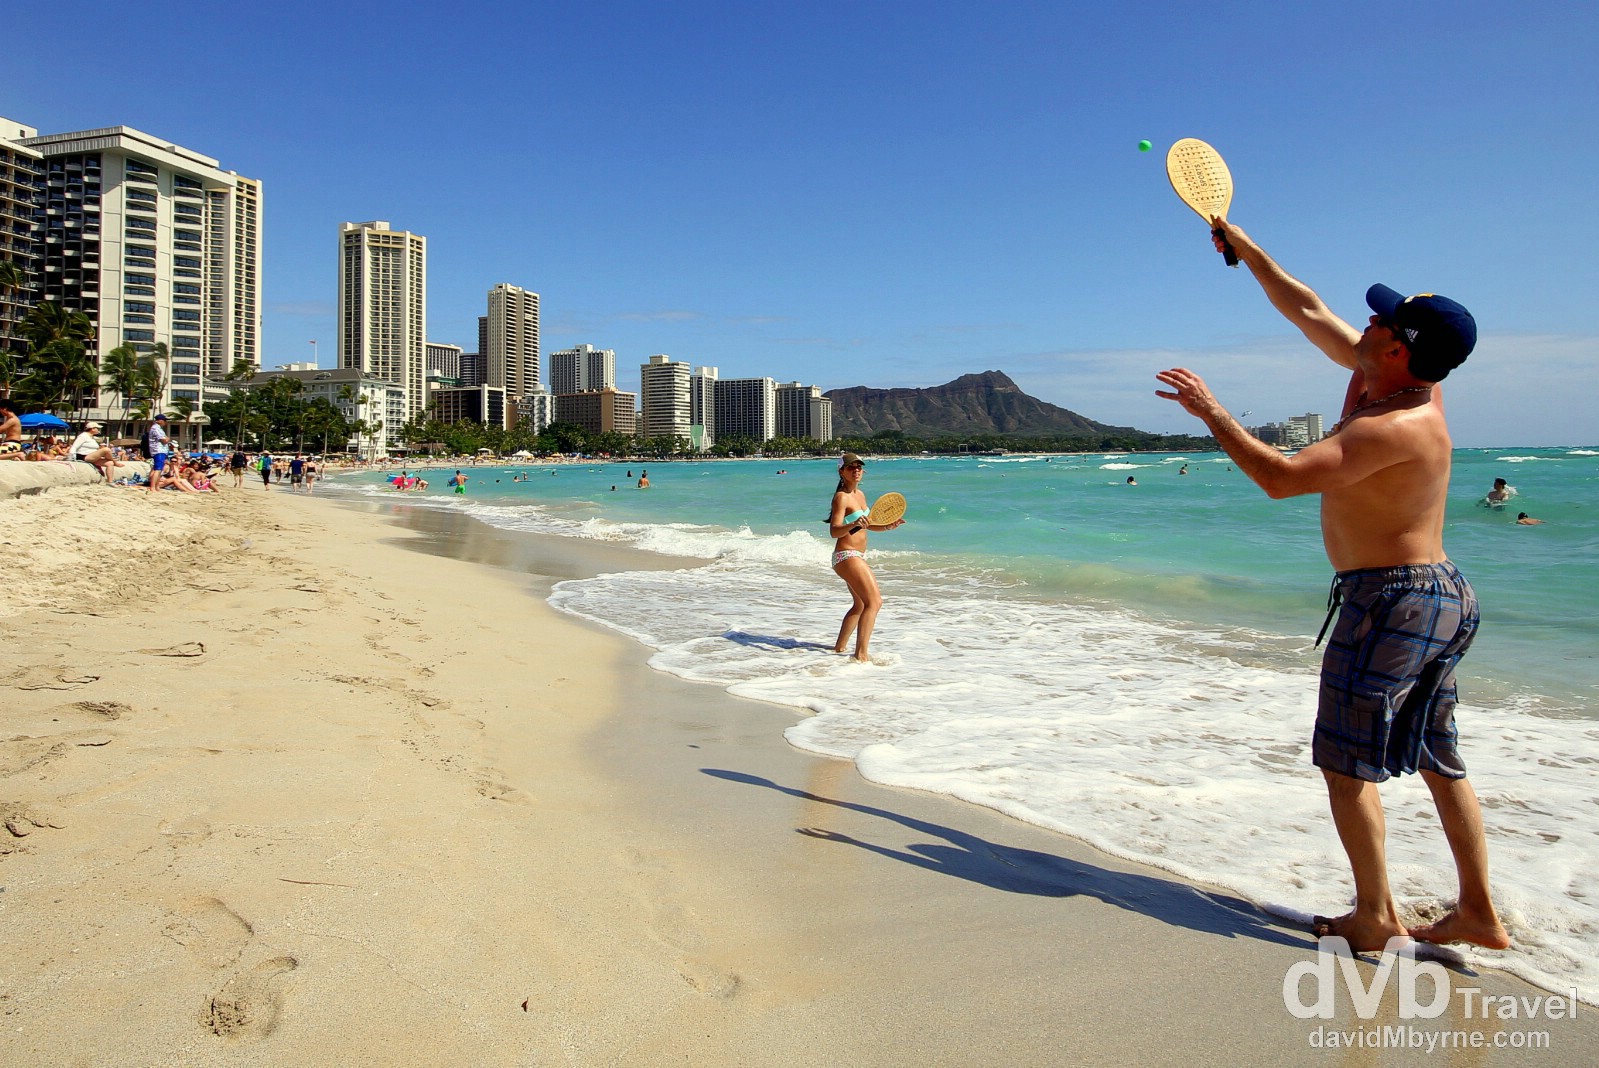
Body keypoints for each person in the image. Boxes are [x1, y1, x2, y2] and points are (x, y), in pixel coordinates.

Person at [1155, 219, 1508, 954]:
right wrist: (1245, 249)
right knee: (1438, 756)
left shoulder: (1395, 424)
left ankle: (1373, 916)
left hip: (1392, 599)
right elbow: (1307, 307)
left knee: (1344, 763)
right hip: (1437, 595)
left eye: (1381, 319)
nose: (1368, 320)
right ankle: (1477, 911)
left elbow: (1281, 480)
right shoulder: (1396, 376)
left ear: (1396, 348)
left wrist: (1212, 413)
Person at [827, 452, 905, 663]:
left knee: (860, 605)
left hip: (855, 555)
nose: (857, 470)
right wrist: (852, 524)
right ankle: (861, 654)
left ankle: (839, 648)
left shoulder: (860, 495)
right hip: (846, 555)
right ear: (841, 471)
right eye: (851, 467)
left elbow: (867, 525)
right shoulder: (841, 497)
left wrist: (888, 526)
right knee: (875, 601)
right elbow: (834, 531)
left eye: (859, 467)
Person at [145, 414, 172, 496]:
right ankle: (153, 487)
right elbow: (164, 440)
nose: (165, 422)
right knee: (158, 469)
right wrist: (168, 439)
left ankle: (156, 487)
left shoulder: (158, 428)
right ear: (159, 420)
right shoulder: (156, 428)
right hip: (158, 450)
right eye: (164, 420)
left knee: (159, 469)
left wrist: (167, 439)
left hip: (160, 451)